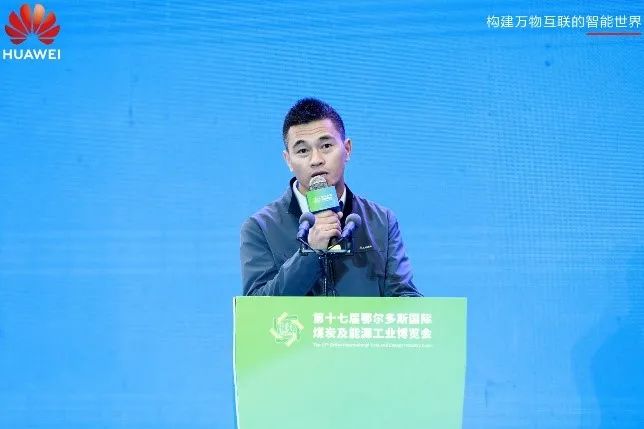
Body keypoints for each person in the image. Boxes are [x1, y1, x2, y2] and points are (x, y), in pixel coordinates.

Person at [240, 98, 421, 297]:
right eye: (303, 150)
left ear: (347, 149)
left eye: (326, 146)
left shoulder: (381, 221)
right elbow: (256, 307)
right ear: (288, 160)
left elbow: (404, 297)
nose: (316, 160)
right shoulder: (261, 228)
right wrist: (310, 254)